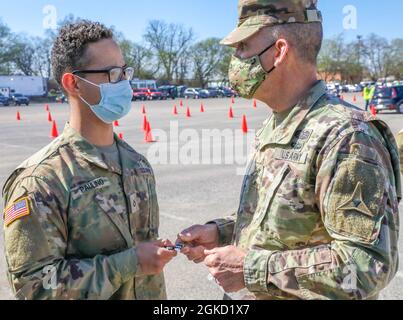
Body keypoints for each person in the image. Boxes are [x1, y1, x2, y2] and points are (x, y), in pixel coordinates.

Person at [178, 0, 401, 300]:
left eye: (243, 46)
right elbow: (287, 217)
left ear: (279, 51)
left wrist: (250, 269)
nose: (236, 58)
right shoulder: (281, 121)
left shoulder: (346, 136)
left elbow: (367, 264)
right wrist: (223, 231)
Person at [2, 21, 177, 300]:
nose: (124, 83)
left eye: (125, 71)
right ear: (73, 83)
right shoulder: (41, 181)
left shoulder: (137, 165)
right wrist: (130, 263)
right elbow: (34, 289)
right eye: (112, 73)